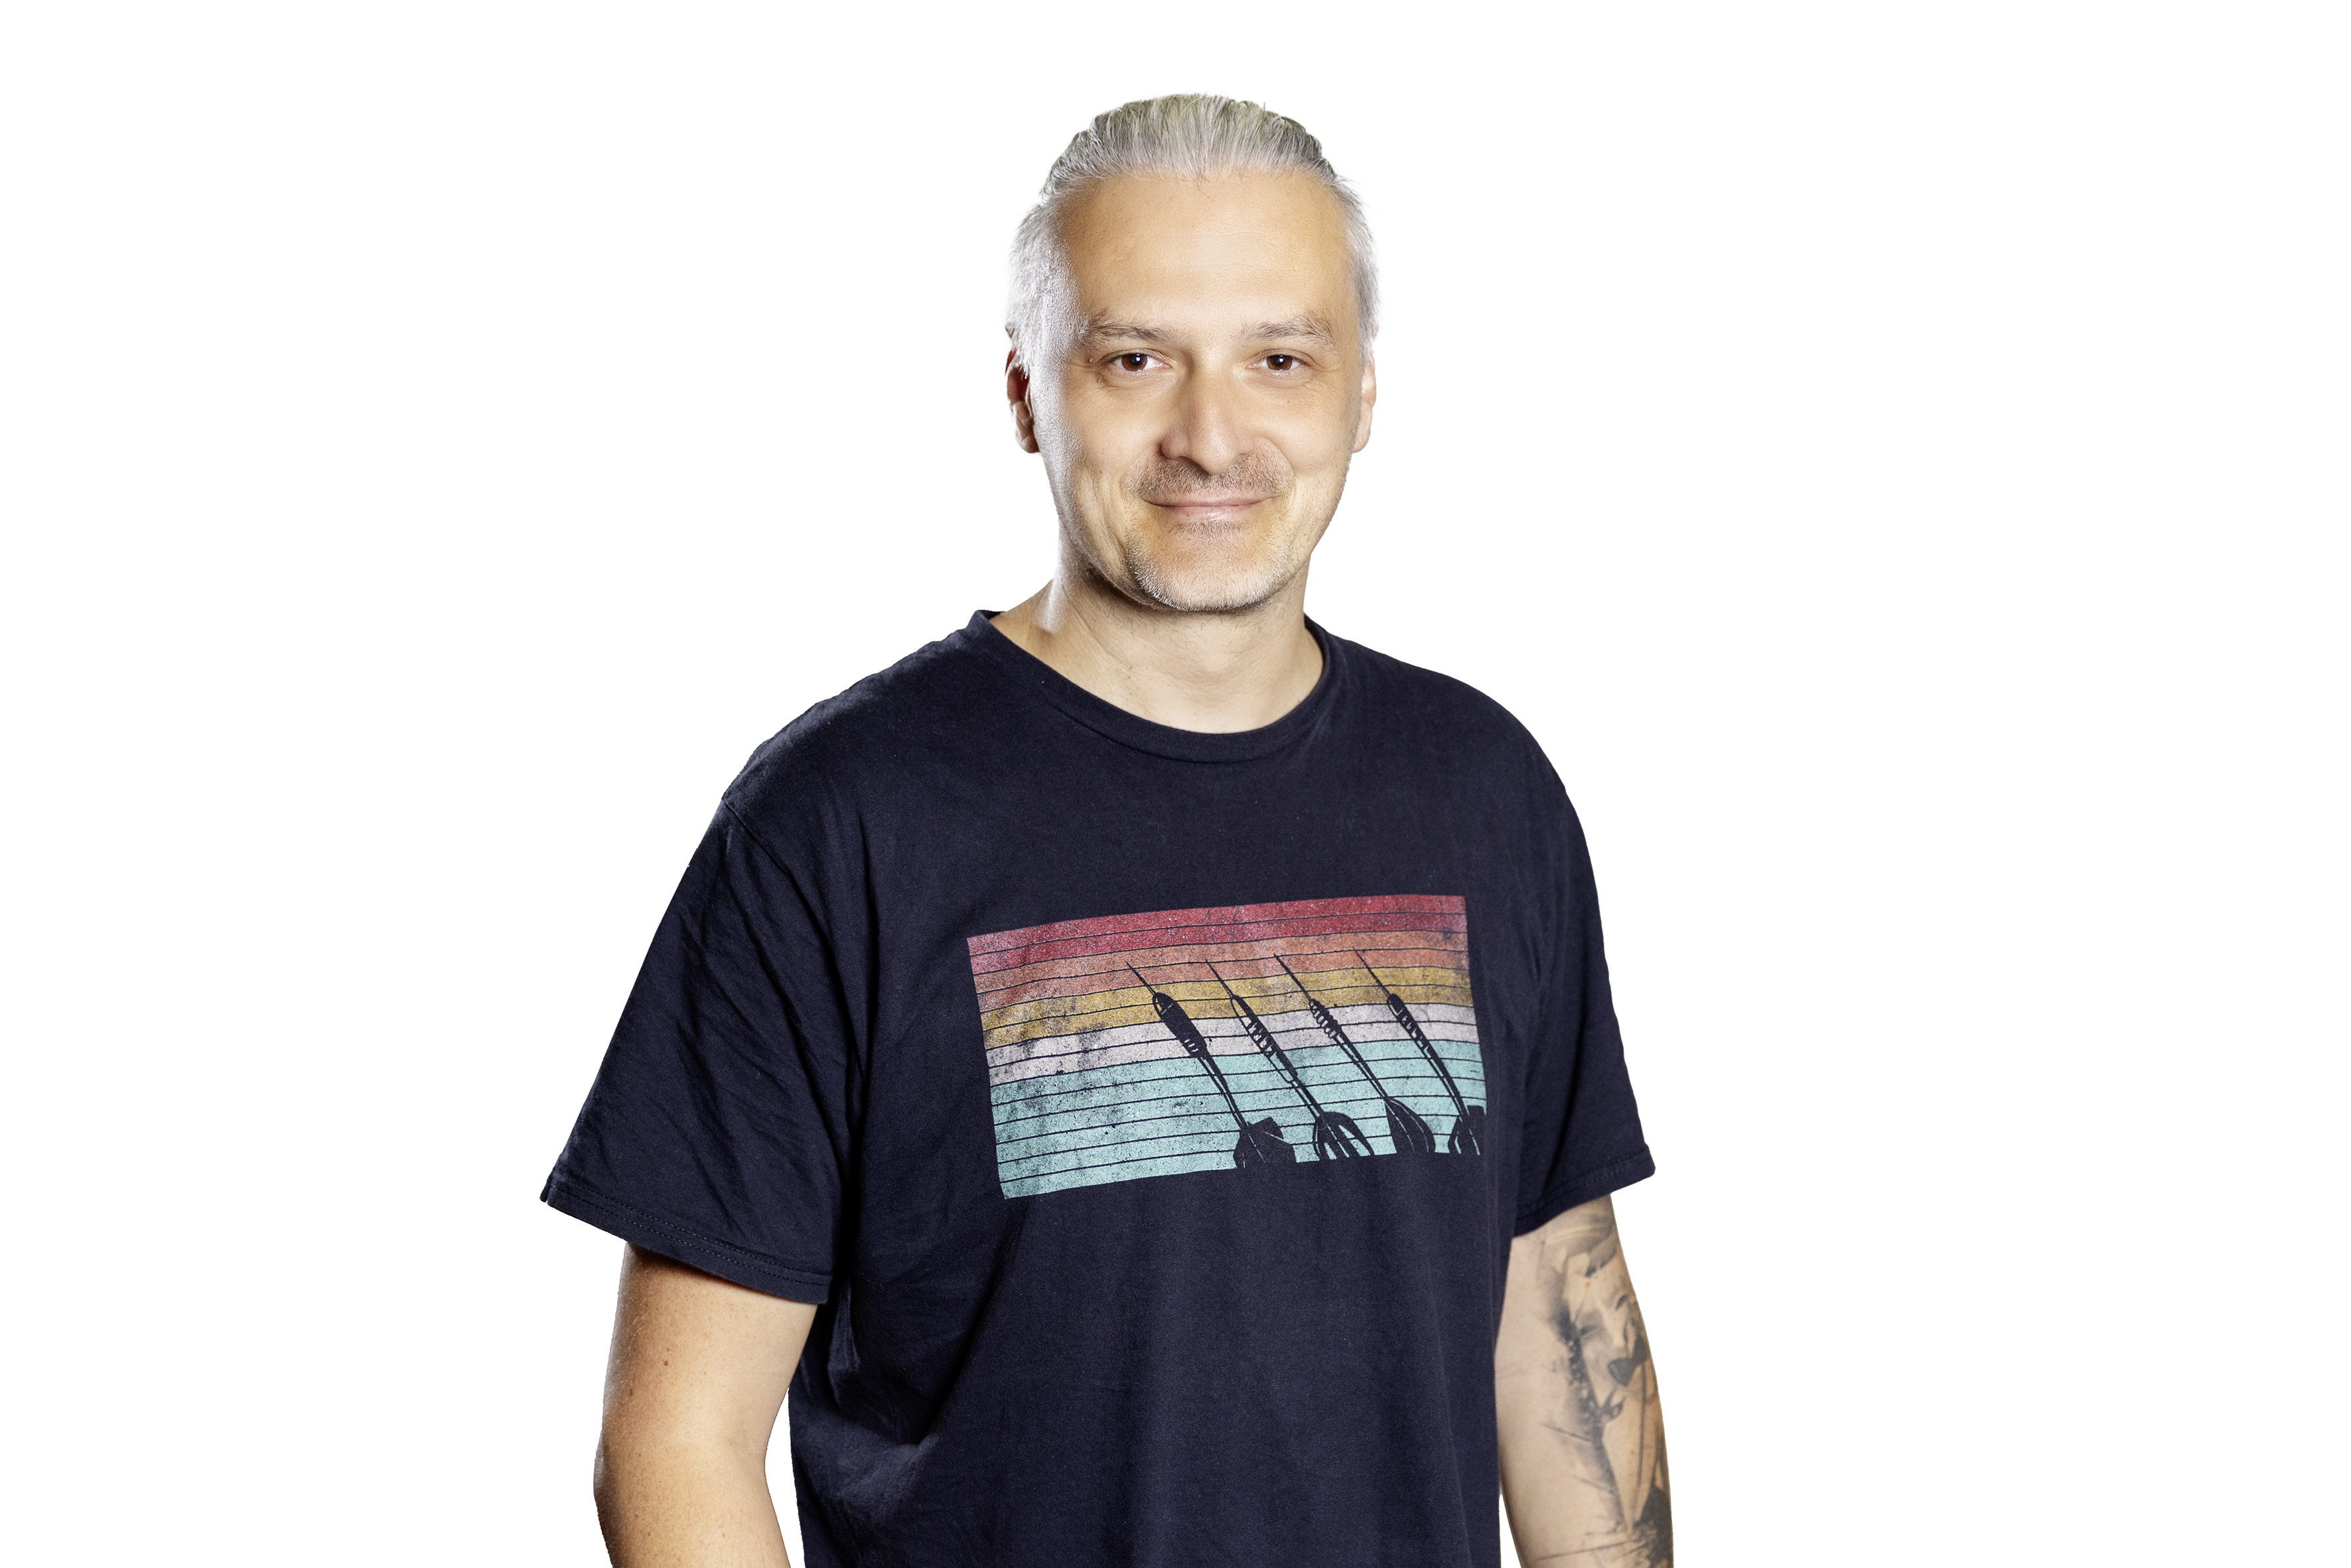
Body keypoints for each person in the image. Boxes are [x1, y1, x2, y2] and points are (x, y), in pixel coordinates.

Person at [545, 94, 1669, 1568]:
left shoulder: (1484, 790)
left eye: (1279, 359)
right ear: (1027, 396)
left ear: (1360, 397)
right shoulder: (840, 821)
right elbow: (677, 1442)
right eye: (1135, 359)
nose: (1211, 437)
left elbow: (1555, 1319)